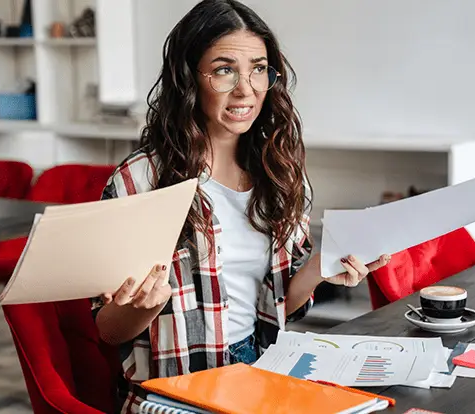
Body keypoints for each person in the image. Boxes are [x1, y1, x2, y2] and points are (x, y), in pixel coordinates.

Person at [91, 1, 390, 411]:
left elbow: (282, 304)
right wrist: (146, 306)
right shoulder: (138, 180)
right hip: (177, 390)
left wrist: (321, 269)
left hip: (264, 370)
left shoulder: (281, 172)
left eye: (259, 68)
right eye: (224, 70)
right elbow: (108, 332)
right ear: (187, 79)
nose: (246, 88)